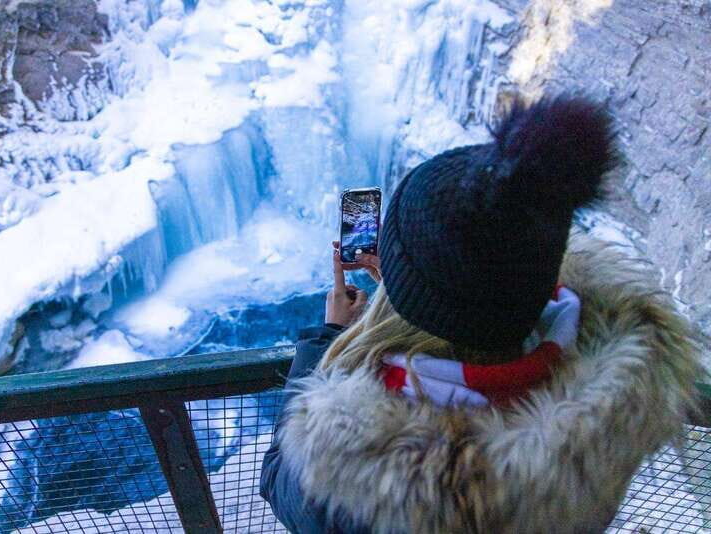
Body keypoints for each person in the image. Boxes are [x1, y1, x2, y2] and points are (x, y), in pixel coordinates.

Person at [259, 95, 701, 533]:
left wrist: (329, 336)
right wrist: (421, 284)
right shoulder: (600, 416)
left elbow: (278, 478)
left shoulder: (354, 468)